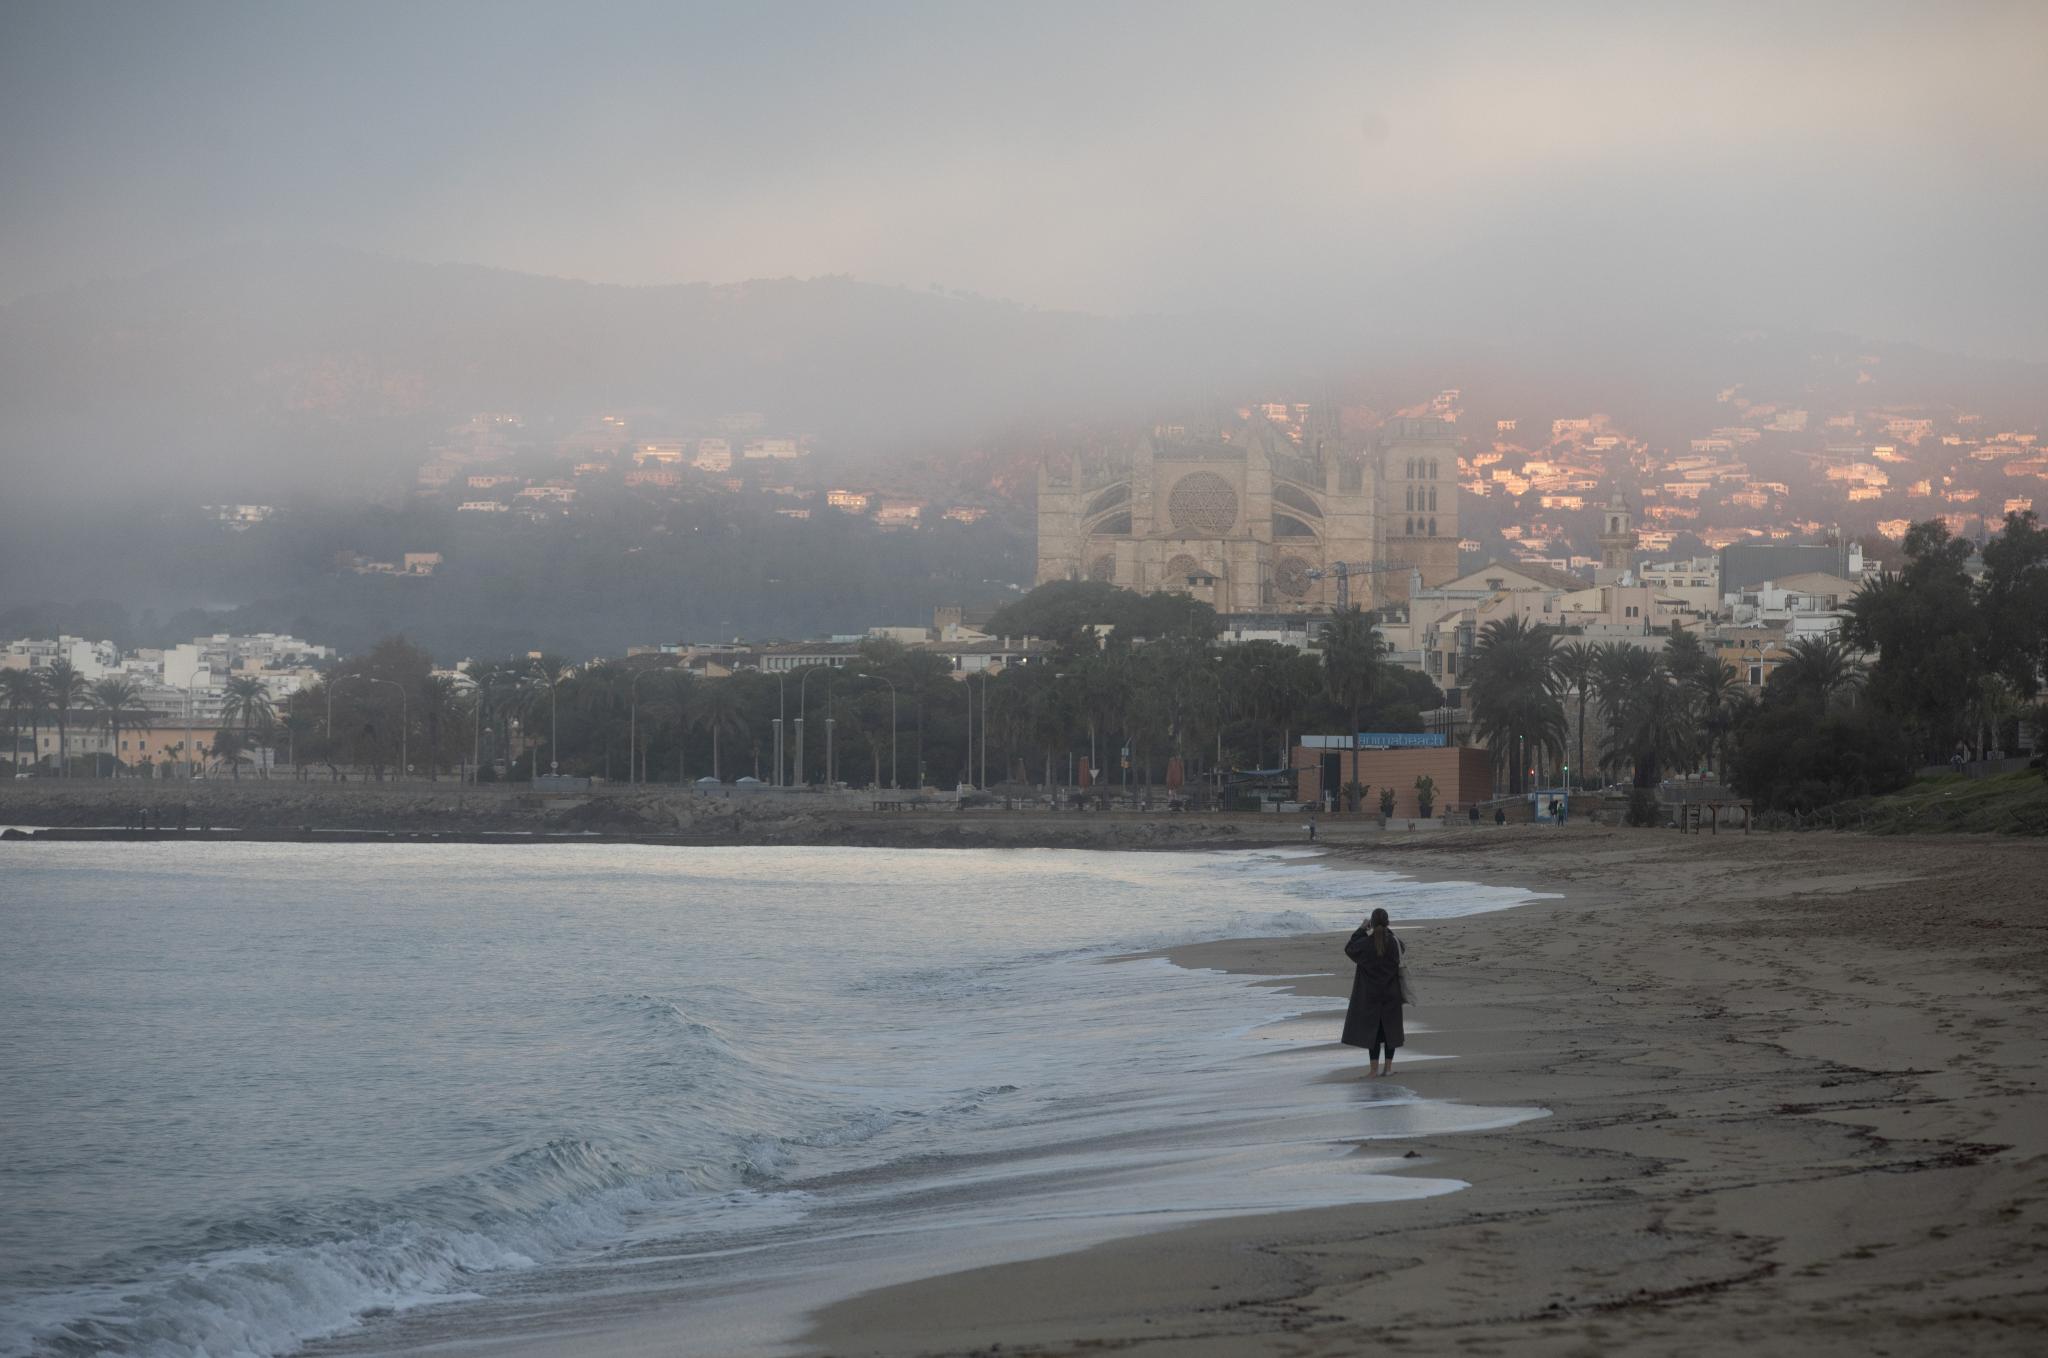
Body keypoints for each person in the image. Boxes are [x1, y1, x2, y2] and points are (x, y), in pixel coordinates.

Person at [1341, 906, 1406, 1077]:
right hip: (1391, 993)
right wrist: (1386, 928)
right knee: (1390, 1030)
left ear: (1372, 923)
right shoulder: (1394, 943)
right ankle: (1388, 1069)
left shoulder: (1365, 945)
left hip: (1370, 995)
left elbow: (1349, 948)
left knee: (1374, 1031)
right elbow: (1402, 948)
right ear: (1387, 923)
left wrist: (1362, 929)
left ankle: (1373, 1070)